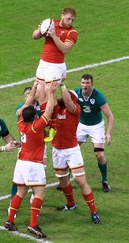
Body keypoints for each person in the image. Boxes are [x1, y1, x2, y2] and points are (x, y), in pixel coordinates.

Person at [5, 82, 57, 239]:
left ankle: (10, 220)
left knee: (21, 191)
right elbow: (49, 110)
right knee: (39, 193)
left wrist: (34, 88)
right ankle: (33, 225)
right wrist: (51, 93)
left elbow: (27, 103)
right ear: (34, 116)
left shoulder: (20, 123)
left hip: (20, 163)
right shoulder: (36, 127)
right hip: (33, 164)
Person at [52, 84, 100, 224]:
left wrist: (62, 85)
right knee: (62, 180)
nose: (63, 99)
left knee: (80, 181)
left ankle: (94, 211)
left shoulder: (75, 110)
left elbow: (67, 102)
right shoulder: (56, 109)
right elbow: (53, 100)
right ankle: (71, 204)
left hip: (72, 150)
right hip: (57, 150)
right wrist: (51, 88)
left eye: (67, 97)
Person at [32, 7, 78, 142]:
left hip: (56, 65)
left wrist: (53, 35)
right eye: (68, 18)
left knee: (50, 92)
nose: (70, 22)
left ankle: (53, 126)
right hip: (43, 63)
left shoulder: (72, 33)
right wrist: (41, 30)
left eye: (72, 20)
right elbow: (34, 36)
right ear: (62, 15)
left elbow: (64, 49)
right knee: (40, 94)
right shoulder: (51, 24)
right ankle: (46, 124)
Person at [75, 74, 114, 192]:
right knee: (71, 150)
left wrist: (108, 133)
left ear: (92, 84)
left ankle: (105, 180)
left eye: (87, 83)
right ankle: (64, 179)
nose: (85, 85)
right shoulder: (76, 94)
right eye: (83, 83)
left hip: (96, 126)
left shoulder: (98, 97)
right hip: (81, 125)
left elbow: (109, 116)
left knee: (99, 154)